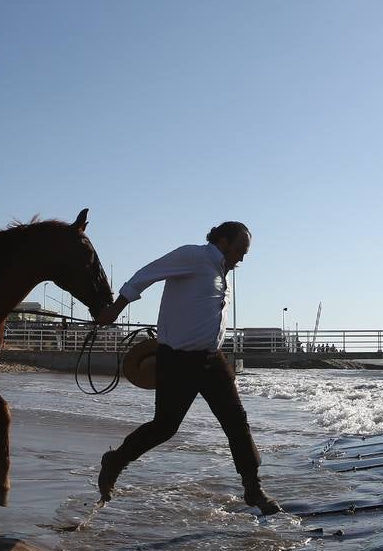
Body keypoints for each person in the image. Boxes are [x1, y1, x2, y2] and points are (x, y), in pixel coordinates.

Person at [93, 221, 280, 516]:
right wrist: (115, 309)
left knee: (236, 422)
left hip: (212, 360)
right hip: (177, 359)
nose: (242, 258)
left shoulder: (221, 271)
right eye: (240, 250)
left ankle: (253, 488)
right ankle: (115, 461)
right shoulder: (193, 256)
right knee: (164, 427)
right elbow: (145, 275)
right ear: (222, 240)